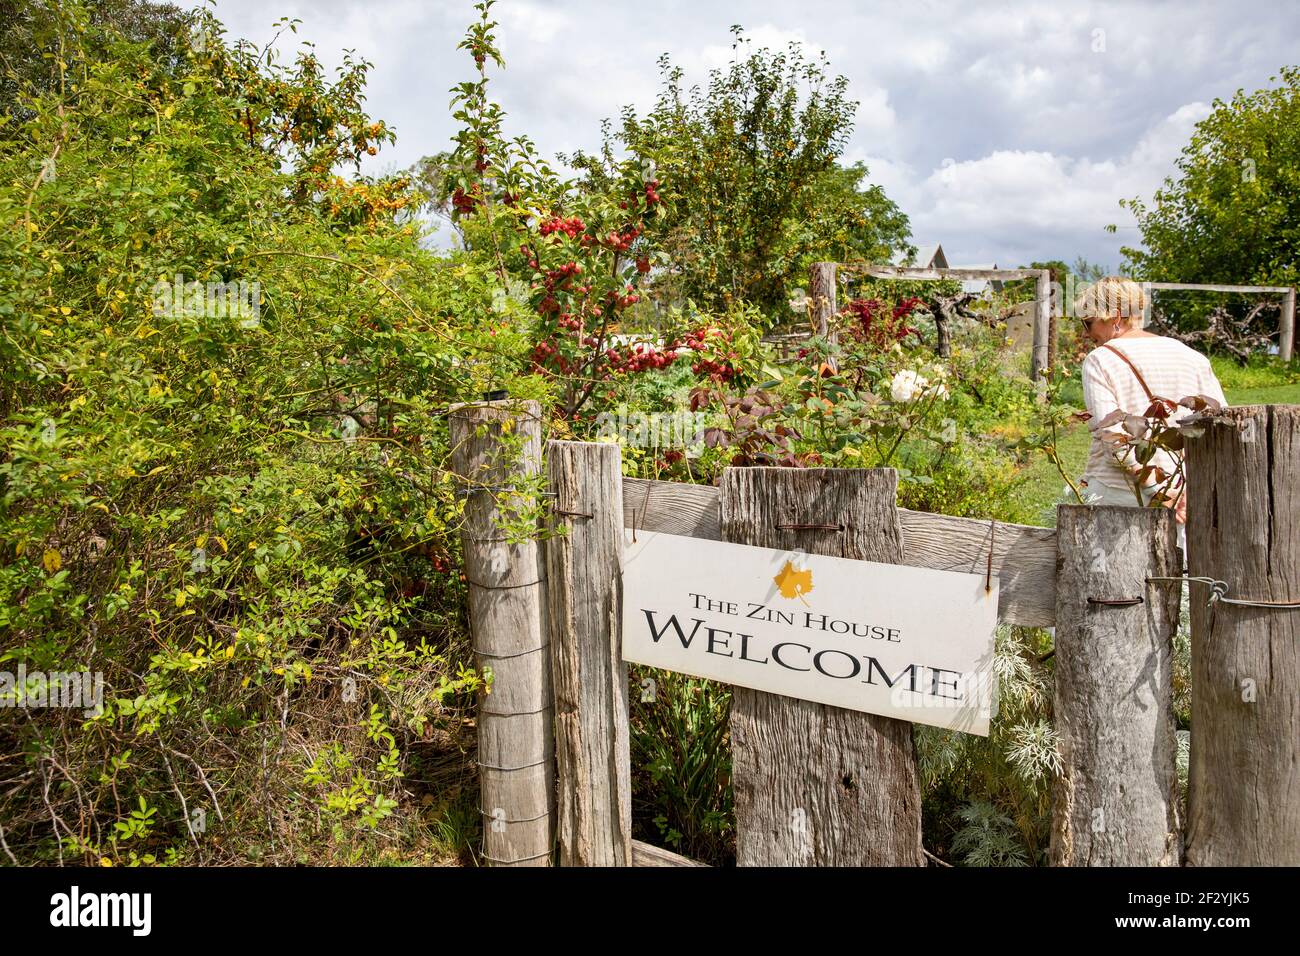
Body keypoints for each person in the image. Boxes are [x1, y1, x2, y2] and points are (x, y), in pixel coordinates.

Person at [1072, 277, 1227, 541]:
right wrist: (1185, 491)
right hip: (1186, 496)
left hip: (1120, 494)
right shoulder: (1193, 357)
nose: (1086, 333)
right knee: (1183, 577)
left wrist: (1159, 491)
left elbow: (1114, 440)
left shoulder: (1101, 359)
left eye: (1088, 323)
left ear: (1115, 317)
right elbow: (1221, 426)